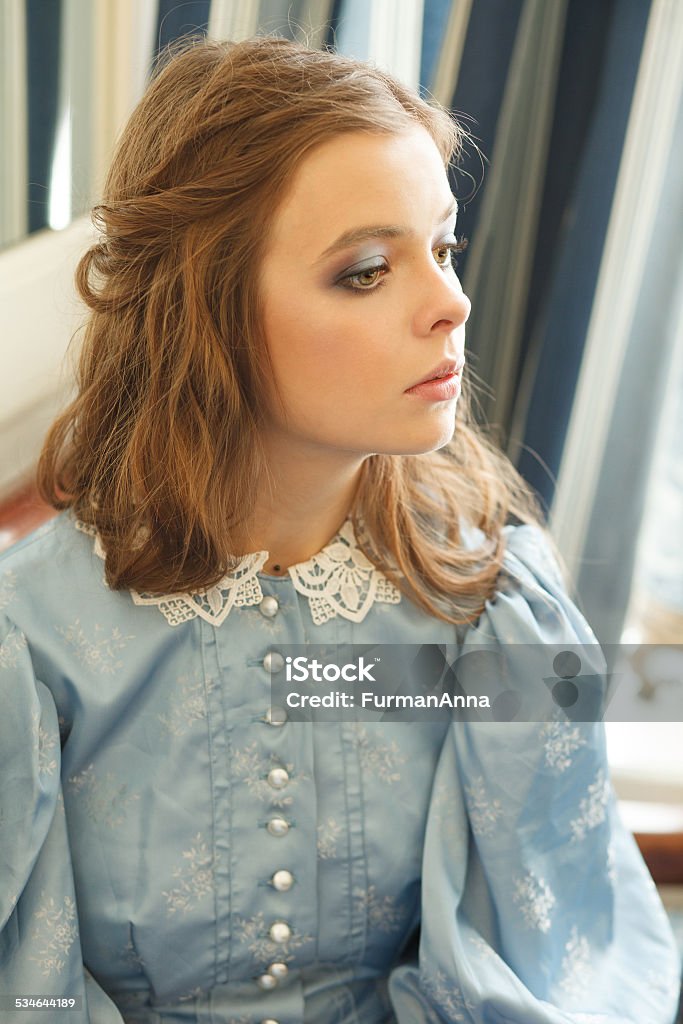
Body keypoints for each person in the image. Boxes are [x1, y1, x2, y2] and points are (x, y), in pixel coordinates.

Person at [0, 34, 680, 1024]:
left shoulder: (490, 603)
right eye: (366, 269)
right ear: (208, 311)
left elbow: (543, 959)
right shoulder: (35, 640)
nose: (450, 302)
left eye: (441, 246)